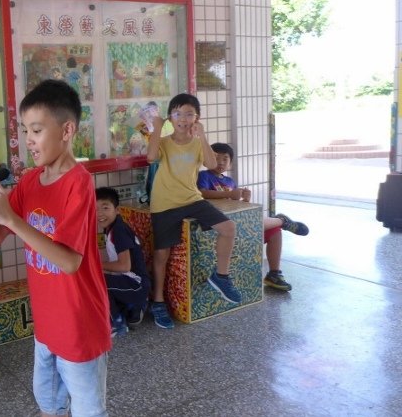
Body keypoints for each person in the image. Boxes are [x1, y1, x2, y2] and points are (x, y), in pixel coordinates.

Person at [0, 79, 111, 417]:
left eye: (36, 130)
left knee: (88, 411)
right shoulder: (31, 180)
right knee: (48, 406)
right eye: (25, 131)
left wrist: (13, 221)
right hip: (46, 324)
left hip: (79, 324)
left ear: (66, 130)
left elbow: (70, 261)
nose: (28, 140)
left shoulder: (78, 183)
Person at [145, 93, 239, 330]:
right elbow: (150, 157)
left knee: (228, 228)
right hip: (164, 203)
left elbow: (210, 163)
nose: (183, 119)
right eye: (178, 113)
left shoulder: (198, 143)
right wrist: (156, 129)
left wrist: (203, 135)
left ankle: (221, 276)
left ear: (197, 118)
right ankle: (158, 302)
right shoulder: (164, 141)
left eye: (189, 114)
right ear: (170, 117)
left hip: (192, 199)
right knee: (161, 255)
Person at [197, 142, 309, 292]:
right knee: (264, 224)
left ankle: (274, 273)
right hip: (218, 230)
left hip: (235, 226)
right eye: (216, 158)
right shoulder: (204, 175)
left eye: (225, 159)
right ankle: (282, 220)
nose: (221, 162)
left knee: (275, 231)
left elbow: (232, 205)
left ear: (231, 162)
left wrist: (244, 201)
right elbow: (203, 193)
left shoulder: (229, 181)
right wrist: (229, 194)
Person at [95, 187, 151, 338]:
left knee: (97, 281)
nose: (99, 213)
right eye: (95, 209)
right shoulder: (112, 228)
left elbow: (124, 266)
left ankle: (116, 323)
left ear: (117, 210)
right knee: (100, 277)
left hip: (136, 284)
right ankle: (132, 310)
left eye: (105, 207)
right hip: (132, 282)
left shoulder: (118, 230)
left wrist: (96, 266)